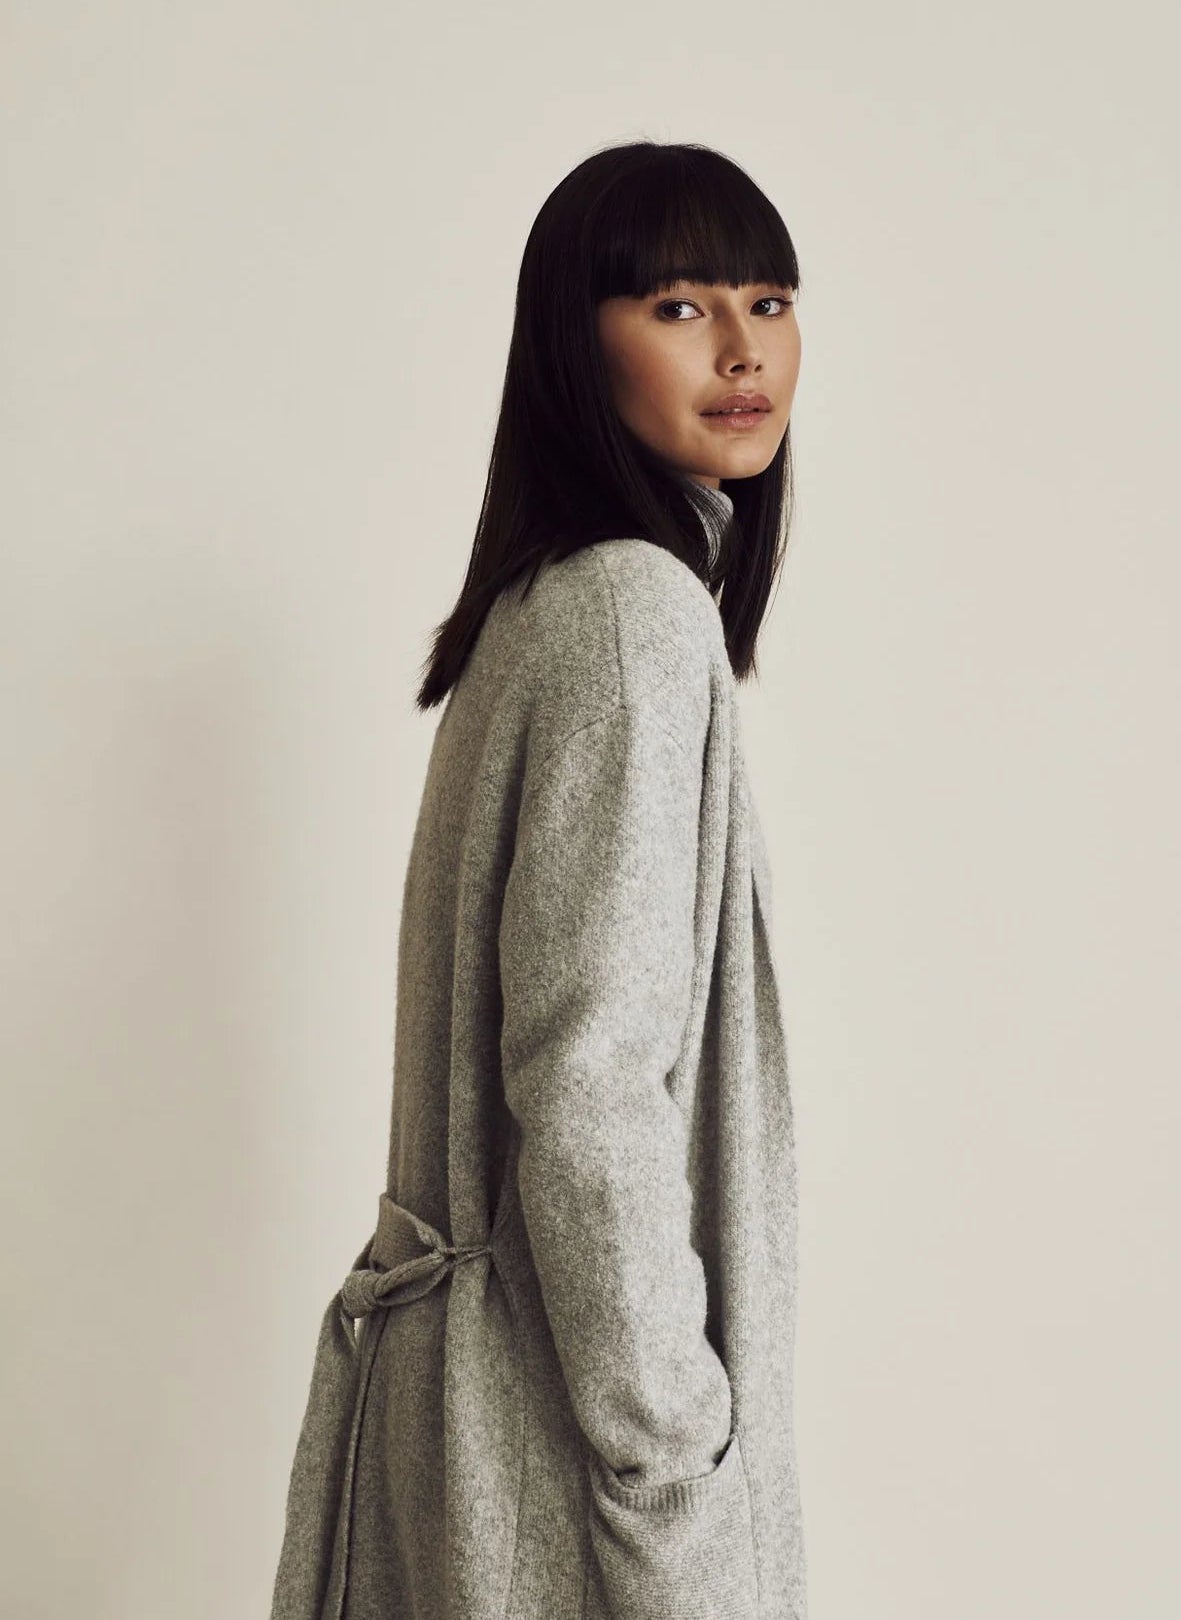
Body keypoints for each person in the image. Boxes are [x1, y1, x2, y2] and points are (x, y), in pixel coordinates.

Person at [268, 138, 807, 1620]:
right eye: (680, 306)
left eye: (768, 301)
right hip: (559, 1462)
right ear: (577, 343)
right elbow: (588, 1085)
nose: (743, 349)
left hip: (466, 1434)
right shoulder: (634, 615)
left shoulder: (545, 606)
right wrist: (673, 1455)